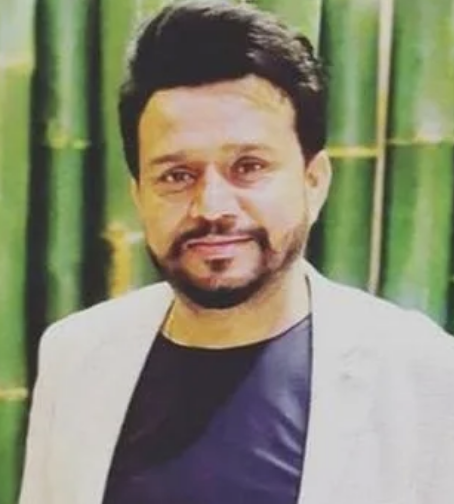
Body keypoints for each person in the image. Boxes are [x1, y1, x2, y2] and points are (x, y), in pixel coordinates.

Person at [19, 1, 454, 503]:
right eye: (177, 175)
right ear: (139, 195)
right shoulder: (75, 356)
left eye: (248, 167)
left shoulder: (420, 376)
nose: (212, 206)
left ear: (314, 181)